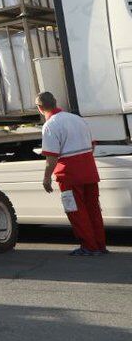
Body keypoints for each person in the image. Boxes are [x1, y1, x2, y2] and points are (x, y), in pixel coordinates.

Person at [37, 92, 106, 256]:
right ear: (55, 102)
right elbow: (92, 145)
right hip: (89, 170)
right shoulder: (77, 119)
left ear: (40, 108)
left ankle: (89, 246)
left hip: (69, 174)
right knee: (93, 209)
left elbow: (51, 157)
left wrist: (46, 178)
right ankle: (100, 245)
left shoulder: (50, 125)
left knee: (76, 211)